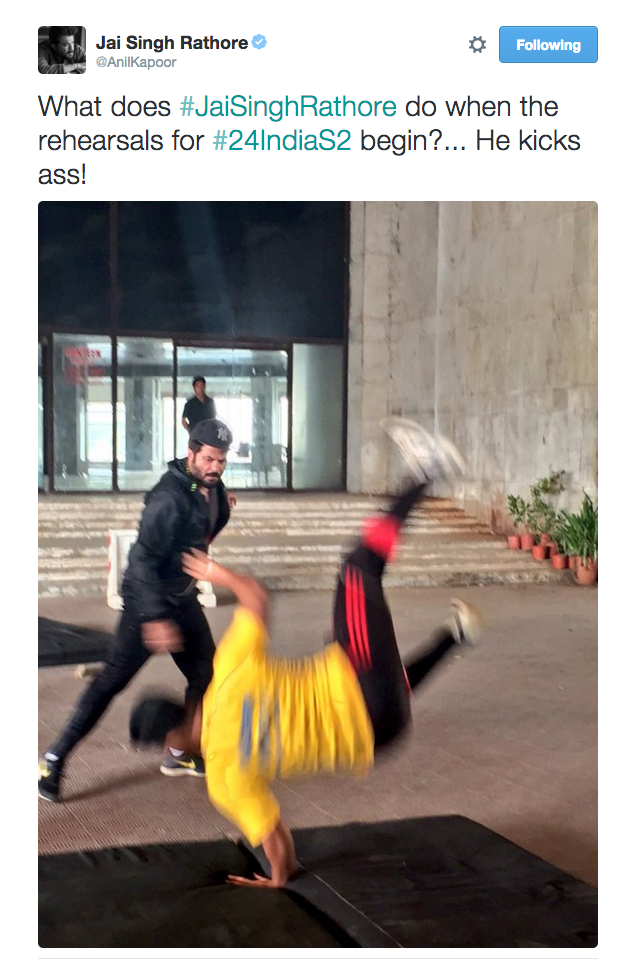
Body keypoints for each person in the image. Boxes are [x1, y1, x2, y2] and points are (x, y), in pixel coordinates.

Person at [129, 424, 481, 888]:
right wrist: (218, 574)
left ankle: (456, 637)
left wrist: (280, 878)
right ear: (181, 705)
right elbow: (257, 596)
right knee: (358, 568)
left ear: (172, 742)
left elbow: (274, 837)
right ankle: (427, 472)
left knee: (366, 661)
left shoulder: (224, 782)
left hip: (382, 735)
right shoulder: (227, 674)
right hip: (360, 685)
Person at [38, 418, 235, 803]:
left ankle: (179, 751)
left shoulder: (209, 486)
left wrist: (219, 511)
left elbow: (200, 533)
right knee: (111, 680)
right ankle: (53, 760)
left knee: (206, 674)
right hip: (147, 603)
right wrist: (154, 617)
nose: (215, 467)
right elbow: (141, 560)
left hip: (184, 600)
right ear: (191, 452)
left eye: (222, 460)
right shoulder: (168, 497)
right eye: (209, 459)